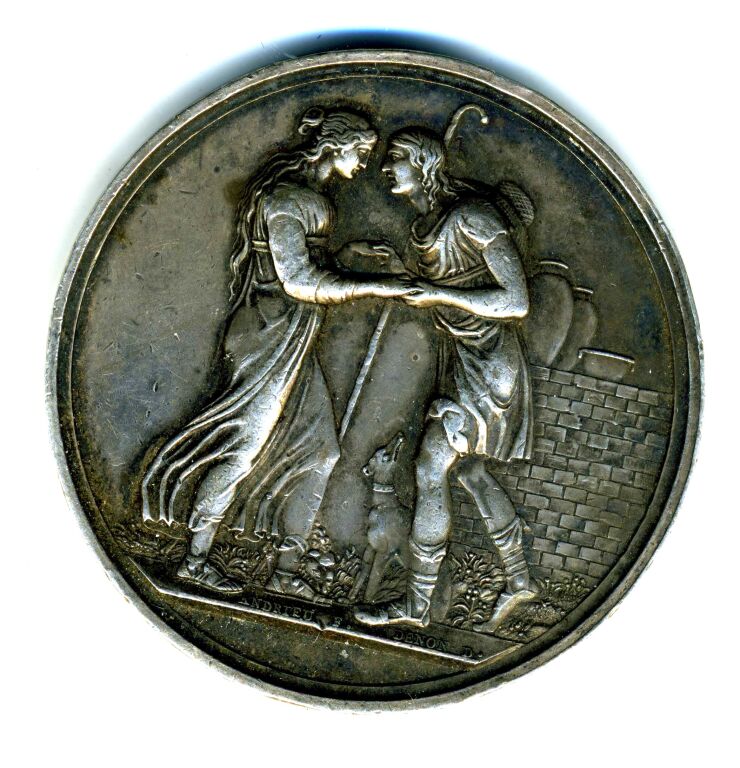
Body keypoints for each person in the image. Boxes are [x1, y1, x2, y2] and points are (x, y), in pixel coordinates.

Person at [141, 108, 411, 593]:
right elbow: (298, 281)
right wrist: (376, 287)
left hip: (295, 337)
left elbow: (305, 263)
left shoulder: (312, 200)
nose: (364, 163)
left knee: (323, 452)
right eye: (360, 151)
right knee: (242, 448)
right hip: (267, 338)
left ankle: (286, 574)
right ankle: (195, 560)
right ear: (334, 146)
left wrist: (351, 259)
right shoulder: (288, 198)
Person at [354, 127, 536, 632]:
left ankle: (416, 606)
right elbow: (441, 284)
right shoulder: (425, 226)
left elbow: (516, 302)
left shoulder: (473, 218)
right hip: (460, 357)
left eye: (396, 158)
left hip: (490, 363)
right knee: (470, 472)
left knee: (430, 467)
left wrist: (438, 295)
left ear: (424, 164)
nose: (385, 168)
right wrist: (397, 269)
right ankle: (520, 580)